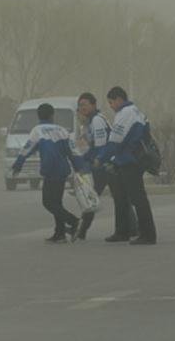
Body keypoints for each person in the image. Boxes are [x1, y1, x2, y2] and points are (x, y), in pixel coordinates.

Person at [12, 103, 80, 243]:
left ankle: (74, 222)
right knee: (57, 203)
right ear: (52, 115)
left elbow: (27, 148)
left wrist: (18, 165)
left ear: (38, 116)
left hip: (50, 170)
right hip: (63, 170)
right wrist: (80, 167)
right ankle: (60, 233)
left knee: (48, 203)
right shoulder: (62, 130)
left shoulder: (38, 130)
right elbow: (72, 151)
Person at [97, 87, 157, 245]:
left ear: (118, 99)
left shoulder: (125, 113)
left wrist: (101, 158)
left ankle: (148, 235)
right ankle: (122, 231)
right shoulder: (136, 111)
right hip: (128, 159)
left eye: (111, 102)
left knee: (138, 198)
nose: (110, 106)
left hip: (129, 161)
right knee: (121, 196)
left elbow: (115, 141)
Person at [75, 92, 137, 242]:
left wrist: (84, 161)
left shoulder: (97, 120)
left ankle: (81, 230)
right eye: (80, 105)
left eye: (85, 104)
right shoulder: (90, 122)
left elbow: (100, 147)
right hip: (104, 164)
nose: (82, 108)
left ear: (93, 105)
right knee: (119, 197)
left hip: (106, 165)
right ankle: (133, 228)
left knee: (92, 197)